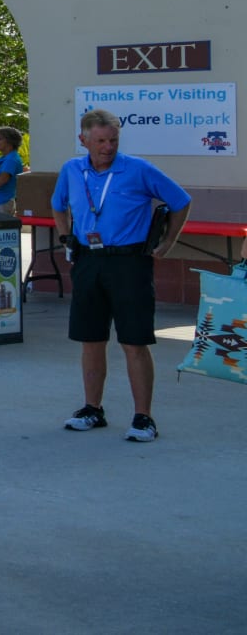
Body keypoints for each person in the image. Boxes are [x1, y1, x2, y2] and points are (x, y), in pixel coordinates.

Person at [54, 109, 191, 443]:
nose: (108, 147)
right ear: (83, 139)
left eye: (113, 140)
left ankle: (143, 417)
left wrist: (169, 241)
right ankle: (92, 409)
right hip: (88, 261)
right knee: (91, 339)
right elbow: (58, 205)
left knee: (134, 340)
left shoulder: (137, 169)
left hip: (129, 262)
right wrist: (65, 238)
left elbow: (180, 201)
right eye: (100, 140)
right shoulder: (72, 170)